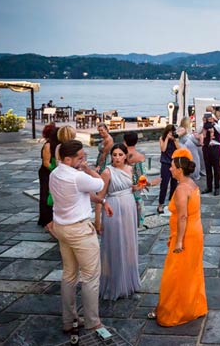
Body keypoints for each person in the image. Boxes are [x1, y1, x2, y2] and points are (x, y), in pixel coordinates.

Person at [49, 140, 113, 333]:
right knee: (90, 277)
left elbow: (83, 194)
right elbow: (100, 182)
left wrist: (101, 200)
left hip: (61, 228)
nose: (83, 160)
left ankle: (69, 320)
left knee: (69, 275)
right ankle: (93, 322)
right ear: (68, 158)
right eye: (80, 157)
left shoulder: (54, 174)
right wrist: (87, 168)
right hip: (79, 231)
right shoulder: (77, 176)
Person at [149, 148, 207, 326]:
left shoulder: (182, 189)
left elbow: (183, 217)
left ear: (179, 169)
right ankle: (191, 306)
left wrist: (179, 240)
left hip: (187, 235)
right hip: (195, 231)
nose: (170, 169)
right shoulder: (192, 183)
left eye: (172, 167)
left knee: (174, 274)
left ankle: (173, 311)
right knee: (190, 271)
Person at [94, 144, 142, 300]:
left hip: (129, 209)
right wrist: (97, 221)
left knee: (128, 244)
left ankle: (128, 282)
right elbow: (99, 197)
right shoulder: (107, 172)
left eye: (120, 154)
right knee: (114, 245)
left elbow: (129, 188)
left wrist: (138, 187)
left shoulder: (130, 169)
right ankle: (114, 283)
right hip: (113, 210)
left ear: (125, 156)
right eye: (114, 154)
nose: (116, 158)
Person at [123, 132, 159, 227]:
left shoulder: (121, 155)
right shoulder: (139, 156)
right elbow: (142, 177)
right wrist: (150, 184)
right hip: (135, 187)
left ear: (124, 141)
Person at [38, 123, 58, 228]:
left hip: (50, 172)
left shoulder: (53, 144)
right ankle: (45, 219)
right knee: (45, 194)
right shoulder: (48, 145)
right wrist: (55, 170)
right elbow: (46, 163)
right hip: (46, 173)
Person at [158, 124, 179, 213]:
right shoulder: (162, 138)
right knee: (164, 184)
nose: (171, 134)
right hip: (165, 163)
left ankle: (172, 201)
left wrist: (174, 140)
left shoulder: (175, 139)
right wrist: (166, 138)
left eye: (172, 132)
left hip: (174, 163)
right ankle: (160, 204)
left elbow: (179, 149)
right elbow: (163, 149)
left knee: (174, 183)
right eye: (170, 132)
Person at [202, 113, 220, 195]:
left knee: (216, 168)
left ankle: (217, 187)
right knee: (208, 168)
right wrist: (203, 122)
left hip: (215, 147)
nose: (209, 120)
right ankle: (209, 187)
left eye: (210, 118)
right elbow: (199, 130)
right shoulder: (204, 125)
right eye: (208, 119)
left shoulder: (217, 124)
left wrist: (213, 123)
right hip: (206, 147)